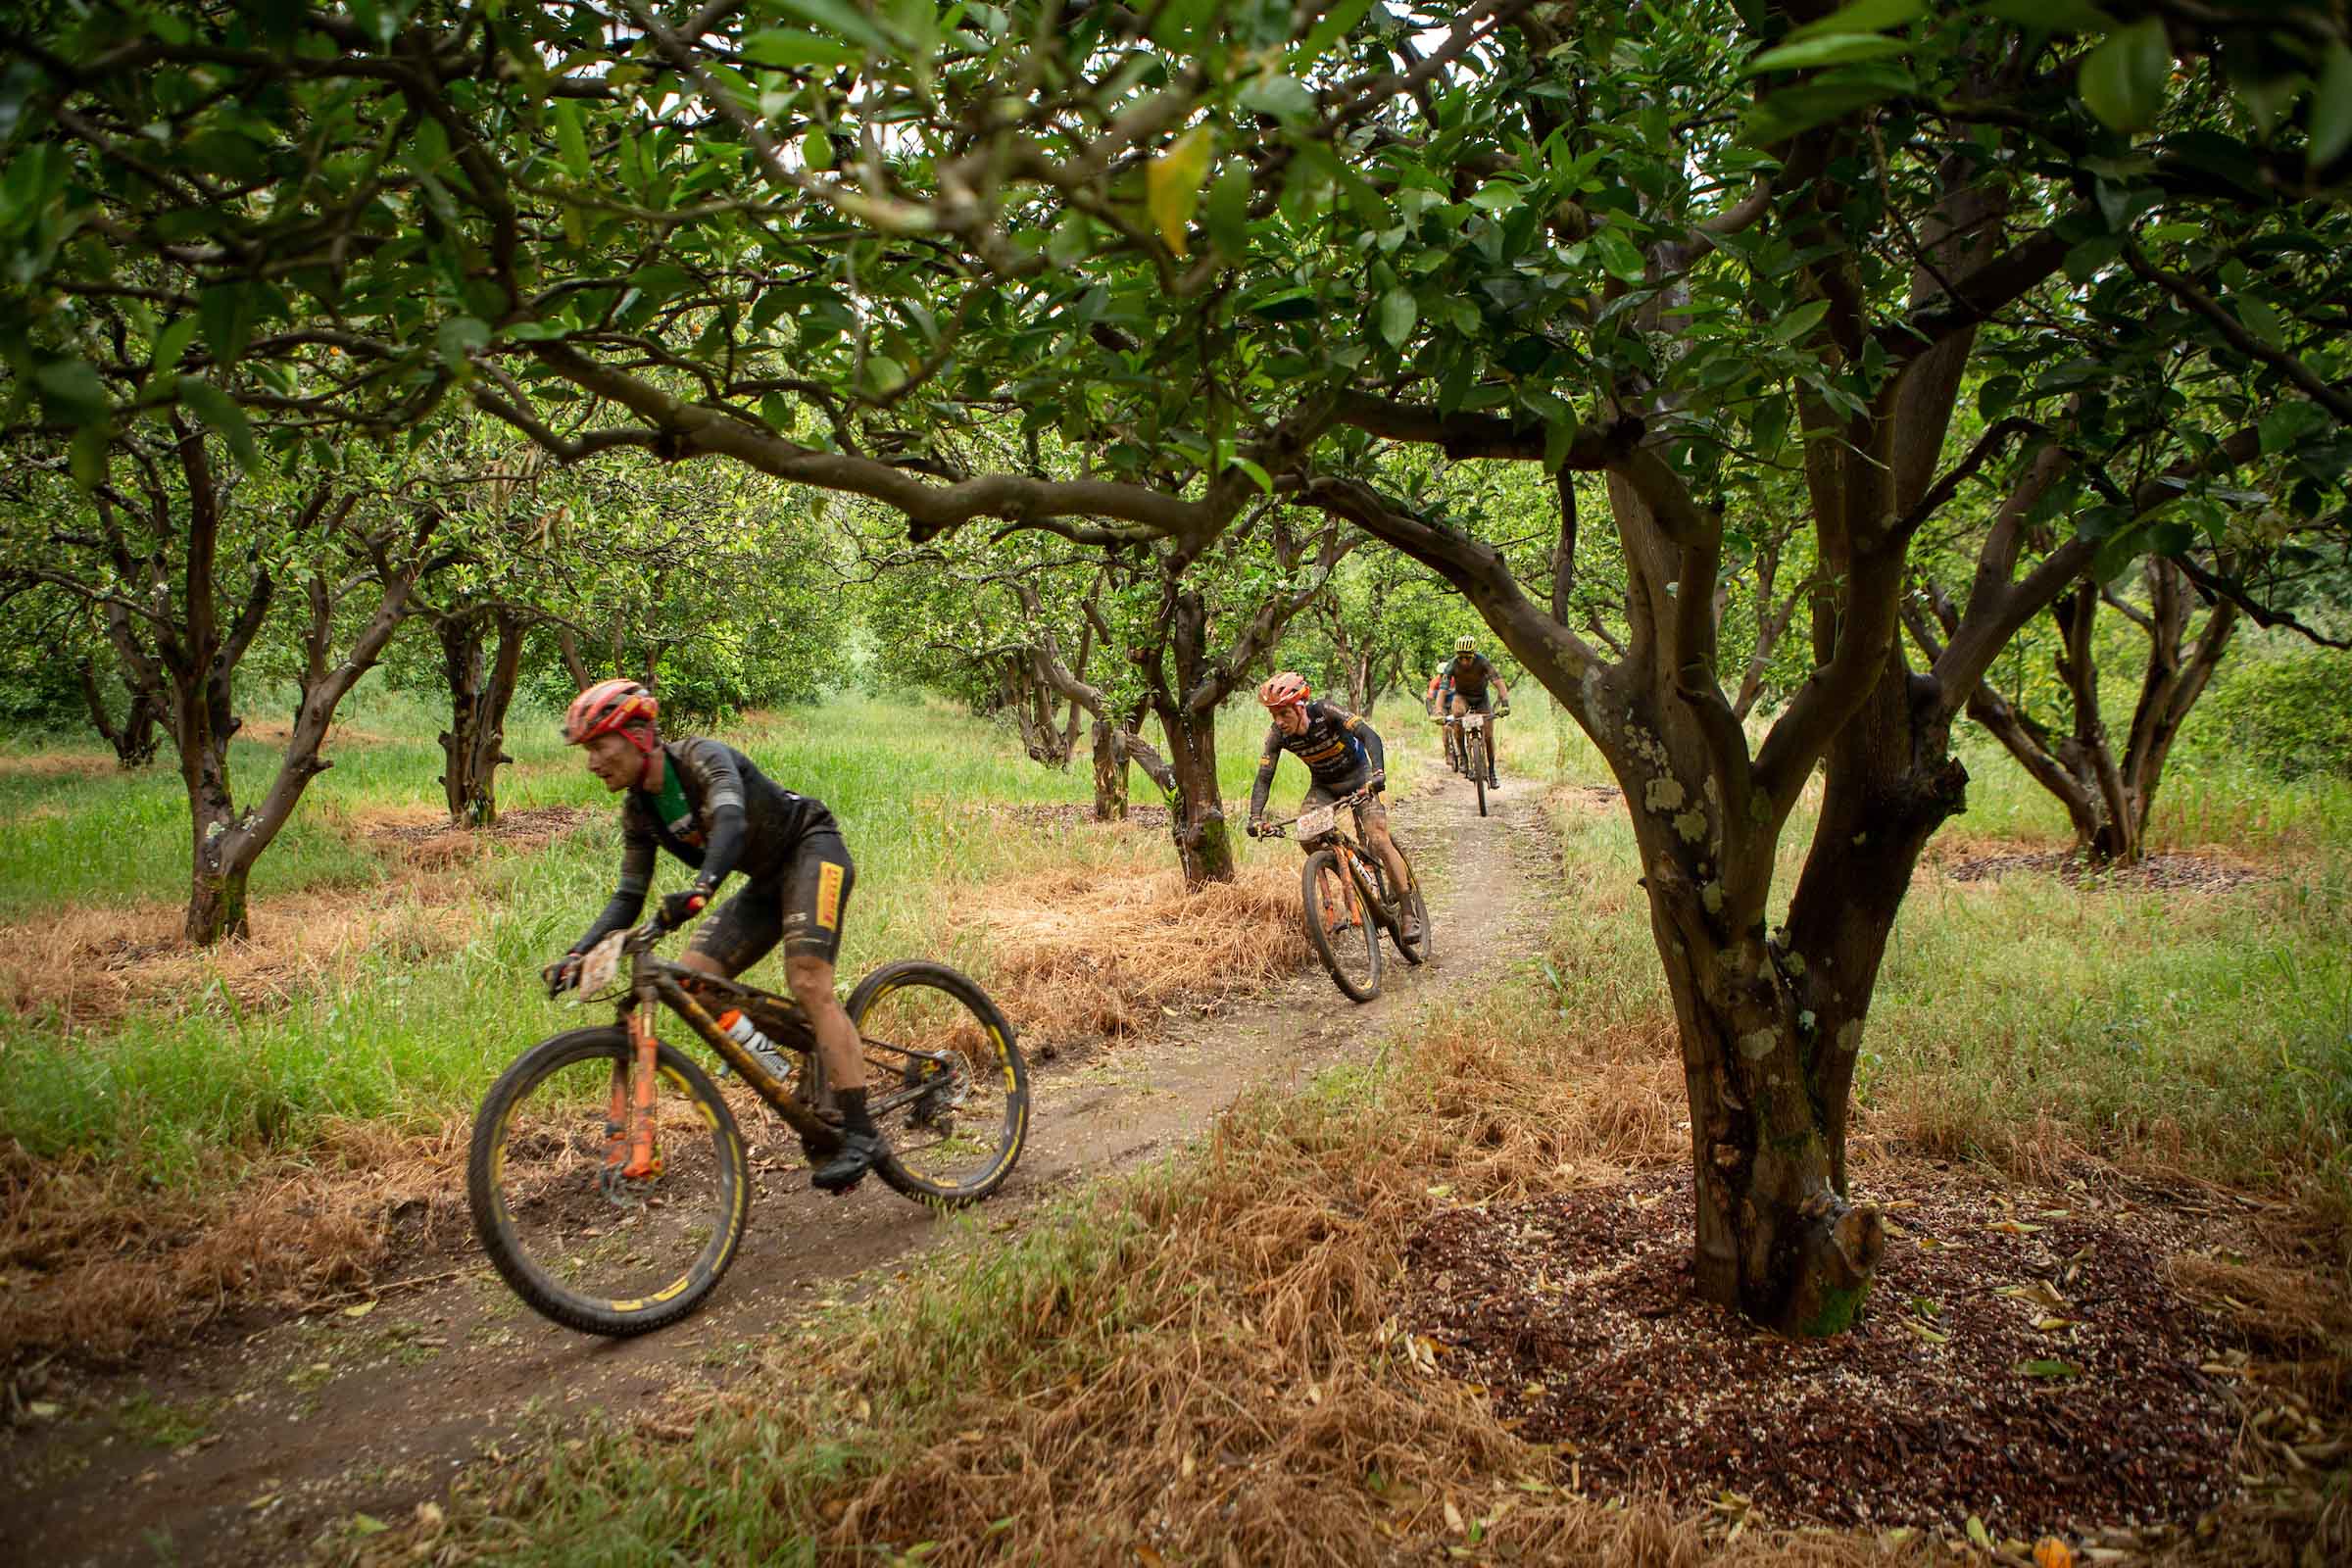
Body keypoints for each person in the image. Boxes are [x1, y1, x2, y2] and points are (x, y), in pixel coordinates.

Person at [542, 679, 880, 1194]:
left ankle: (862, 1132)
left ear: (637, 736)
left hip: (812, 849)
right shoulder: (639, 811)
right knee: (697, 982)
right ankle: (813, 1047)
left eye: (598, 746)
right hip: (766, 881)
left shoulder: (700, 757)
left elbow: (731, 823)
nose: (592, 762)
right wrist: (577, 952)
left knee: (809, 981)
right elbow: (627, 897)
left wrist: (701, 890)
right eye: (587, 750)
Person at [1244, 671, 1419, 941]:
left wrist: (1378, 773)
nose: (1279, 722)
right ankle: (1350, 874)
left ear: (1300, 707)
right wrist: (1255, 817)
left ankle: (1408, 913)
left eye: (1284, 714)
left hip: (1359, 777)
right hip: (1324, 787)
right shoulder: (1277, 735)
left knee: (1378, 838)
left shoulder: (1326, 711)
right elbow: (1264, 776)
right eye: (1274, 716)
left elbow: (1369, 735)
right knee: (1307, 835)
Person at [1430, 635, 1510, 789]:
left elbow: (1498, 681)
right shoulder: (1452, 665)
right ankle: (1463, 758)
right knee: (1457, 717)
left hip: (1482, 698)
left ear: (1474, 654)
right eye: (1461, 657)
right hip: (1462, 697)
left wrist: (1505, 703)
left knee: (1488, 735)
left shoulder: (1483, 661)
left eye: (1468, 657)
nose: (1465, 661)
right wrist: (1439, 712)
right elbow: (1443, 690)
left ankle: (1492, 772)